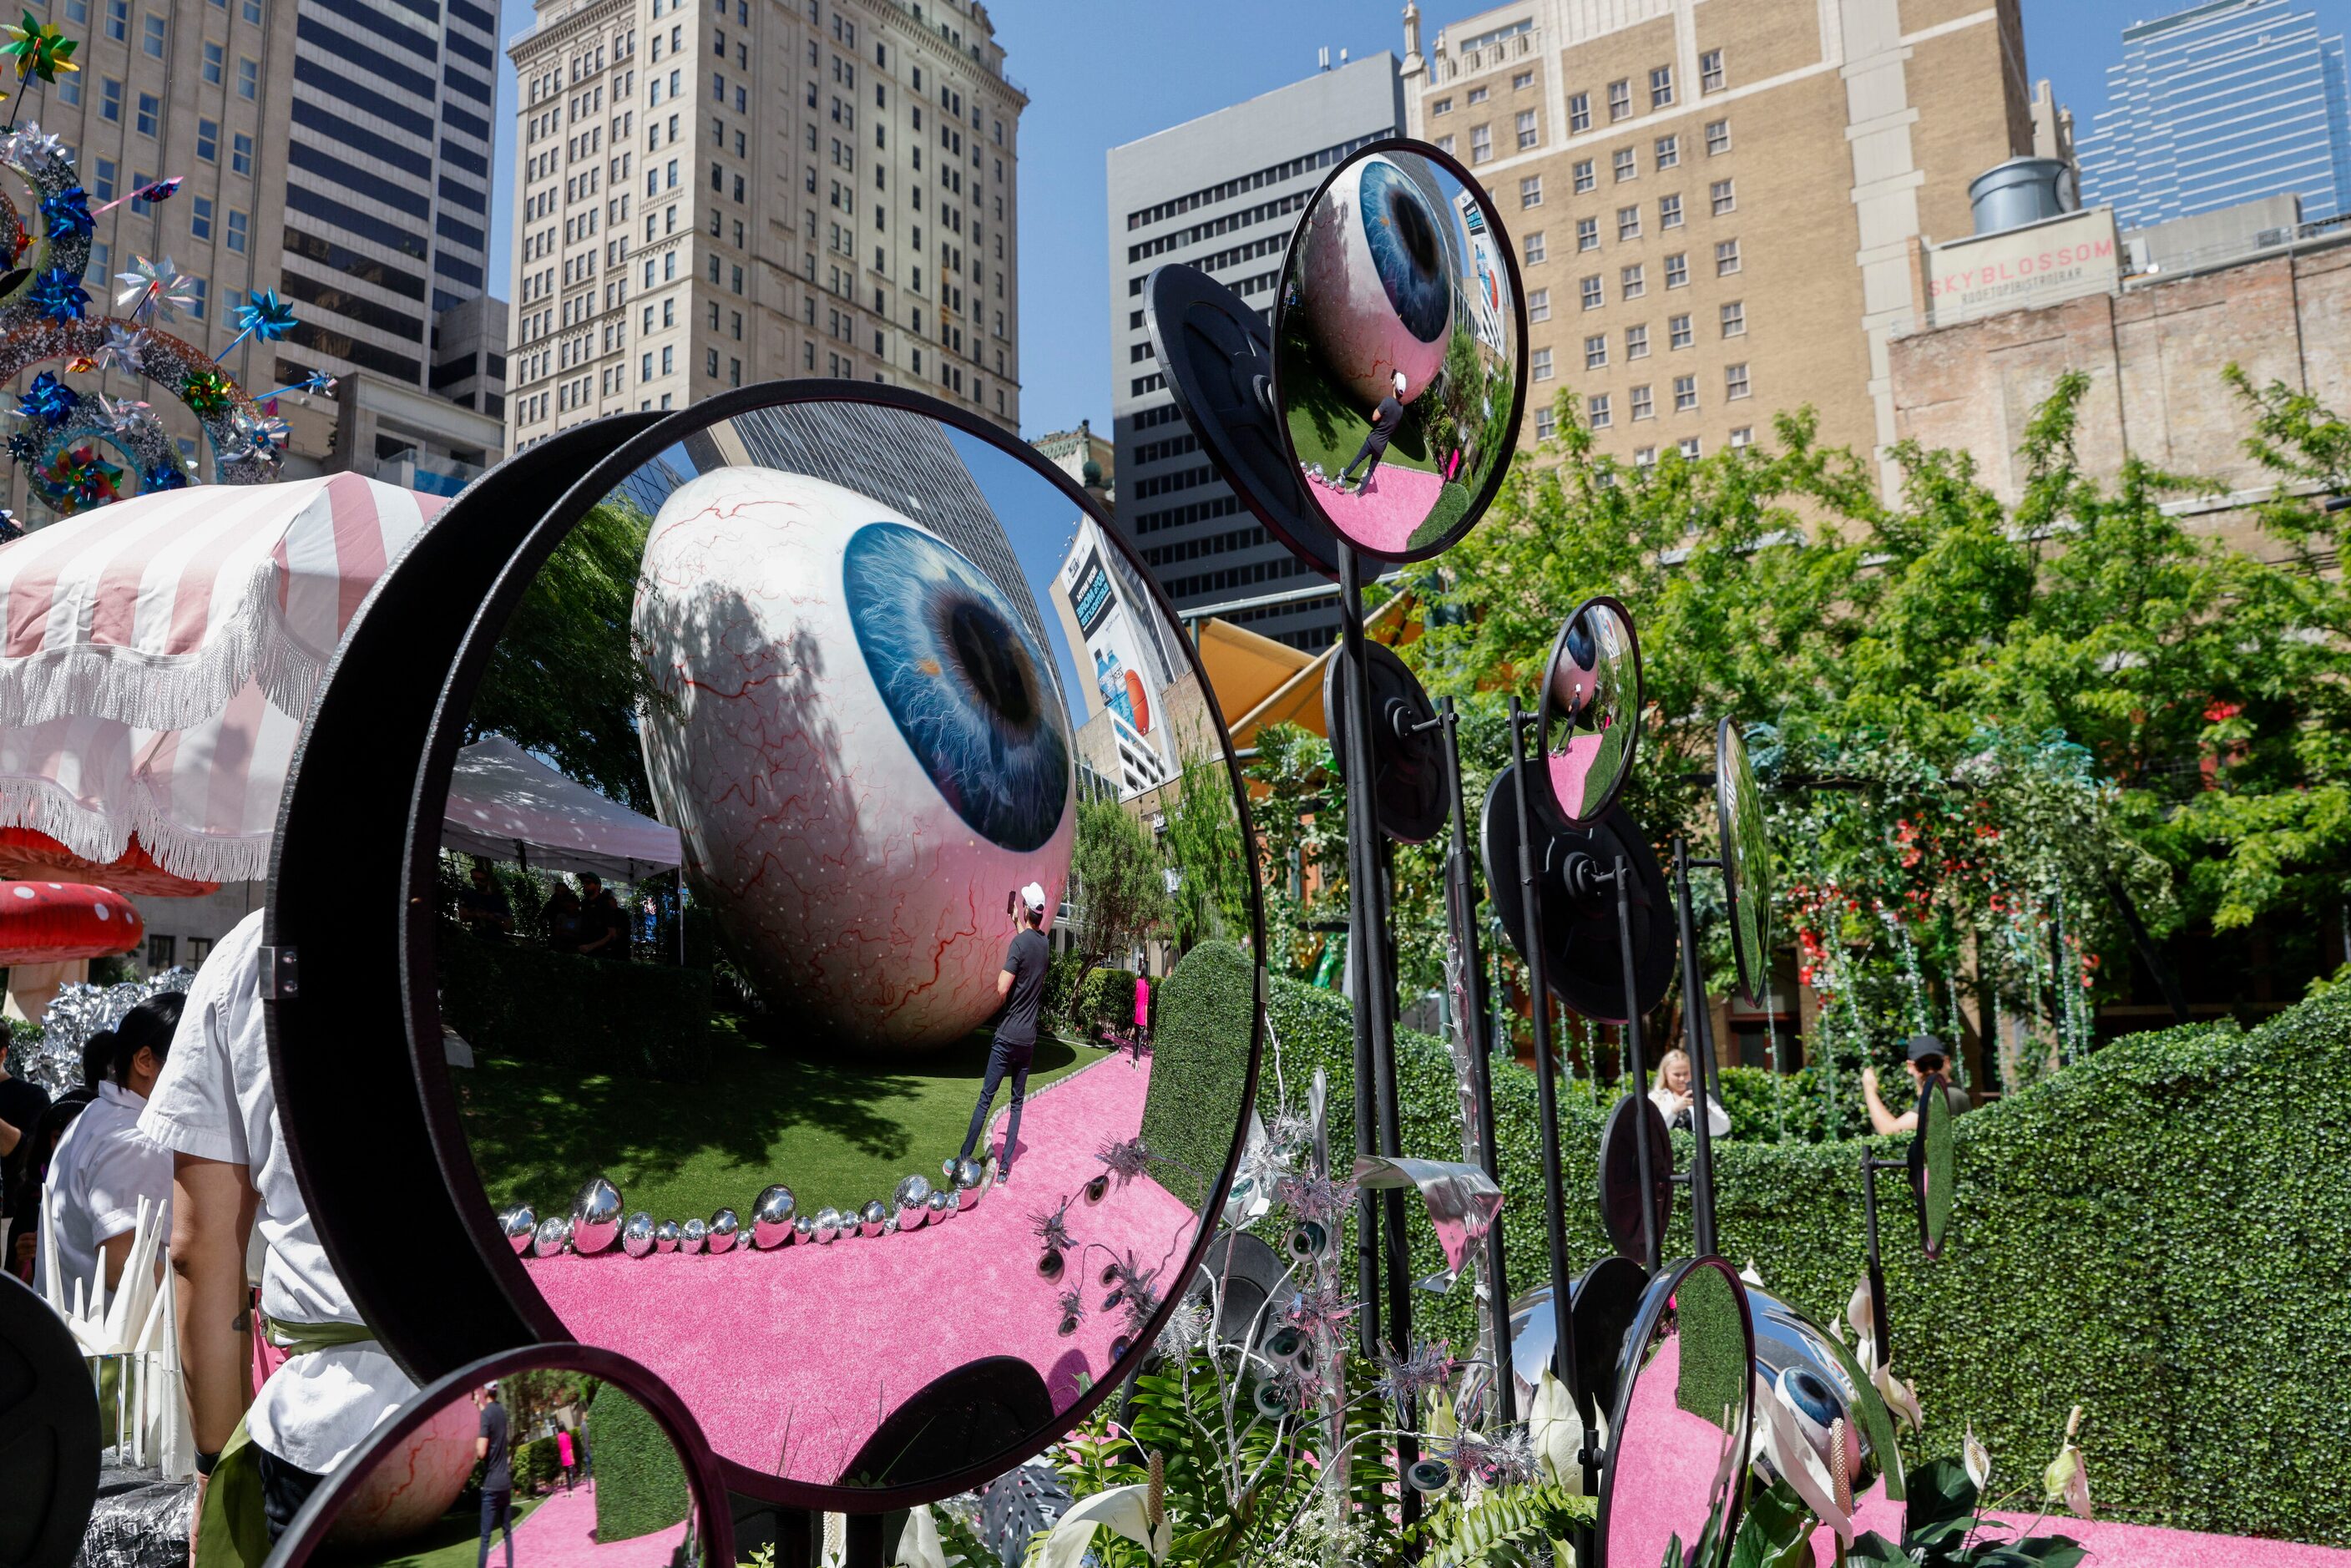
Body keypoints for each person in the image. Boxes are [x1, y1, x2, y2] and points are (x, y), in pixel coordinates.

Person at [141, 911, 419, 1564]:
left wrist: (215, 1470)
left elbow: (198, 1248)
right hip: (528, 1396)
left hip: (335, 1435)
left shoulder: (251, 948)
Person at [33, 994, 184, 1298]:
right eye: (196, 1061)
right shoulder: (137, 1142)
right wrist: (212, 1313)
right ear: (145, 1062)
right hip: (116, 1342)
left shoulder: (96, 1116)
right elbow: (125, 1267)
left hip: (70, 1335)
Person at [958, 882, 1052, 1186]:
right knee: (1016, 1104)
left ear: (1026, 909)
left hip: (1007, 1036)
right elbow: (1029, 945)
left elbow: (1002, 988)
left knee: (986, 1098)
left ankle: (962, 1158)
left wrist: (1002, 972)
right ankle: (1006, 1167)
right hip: (1028, 1041)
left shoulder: (1019, 945)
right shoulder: (1044, 945)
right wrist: (1017, 923)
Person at [1863, 1034, 1972, 1136]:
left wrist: (1870, 1089)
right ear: (1910, 1066)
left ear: (1947, 1062)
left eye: (1936, 1064)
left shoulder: (1950, 1095)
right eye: (1922, 1065)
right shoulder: (1933, 1097)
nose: (1930, 1071)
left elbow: (1890, 1132)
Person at [1336, 371, 1408, 494]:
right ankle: (1359, 493)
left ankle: (1345, 473)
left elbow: (1374, 417)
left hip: (1373, 440)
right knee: (1370, 471)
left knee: (1358, 458)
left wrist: (1382, 408)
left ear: (1394, 385)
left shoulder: (1387, 401)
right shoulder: (1401, 409)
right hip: (1382, 446)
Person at [1647, 1047, 1730, 1138]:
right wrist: (1673, 1110)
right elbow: (1651, 1131)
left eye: (1686, 1073)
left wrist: (1707, 1111)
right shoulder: (1655, 1098)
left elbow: (1724, 1127)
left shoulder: (1700, 1096)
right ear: (1665, 1074)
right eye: (1677, 1075)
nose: (1682, 1079)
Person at [474, 1383, 515, 1568]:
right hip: (505, 1485)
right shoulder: (501, 1412)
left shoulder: (486, 1414)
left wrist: (477, 1442)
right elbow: (491, 1420)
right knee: (507, 1533)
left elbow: (481, 1452)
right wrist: (478, 1406)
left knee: (485, 1538)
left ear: (484, 1392)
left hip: (491, 1486)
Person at [574, 873, 629, 961]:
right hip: (583, 952)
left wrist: (591, 946)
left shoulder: (604, 905)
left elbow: (612, 934)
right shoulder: (584, 903)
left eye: (588, 883)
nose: (584, 885)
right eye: (583, 883)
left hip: (600, 956)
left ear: (597, 886)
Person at [458, 864, 513, 943]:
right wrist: (477, 914)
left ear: (487, 880)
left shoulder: (499, 900)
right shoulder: (469, 895)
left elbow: (510, 927)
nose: (477, 882)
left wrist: (493, 918)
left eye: (481, 880)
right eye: (474, 879)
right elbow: (462, 917)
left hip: (497, 940)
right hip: (477, 940)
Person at [544, 883, 584, 954]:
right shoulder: (551, 905)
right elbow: (542, 919)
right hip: (558, 942)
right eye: (558, 891)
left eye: (562, 892)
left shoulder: (580, 917)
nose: (560, 893)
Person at [1131, 970, 1151, 1065]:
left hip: (1137, 1013)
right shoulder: (1147, 985)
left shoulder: (1137, 982)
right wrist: (1146, 1019)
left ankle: (1133, 1058)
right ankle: (1137, 1061)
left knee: (1136, 1038)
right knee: (1139, 1038)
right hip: (1143, 1015)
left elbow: (1135, 998)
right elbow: (1146, 1003)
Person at [556, 1422, 576, 1491]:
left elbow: (560, 1447)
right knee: (571, 1473)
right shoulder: (568, 1435)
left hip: (563, 1457)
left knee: (567, 1473)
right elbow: (570, 1448)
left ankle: (569, 1489)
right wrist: (573, 1458)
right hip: (569, 1456)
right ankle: (571, 1488)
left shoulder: (559, 1436)